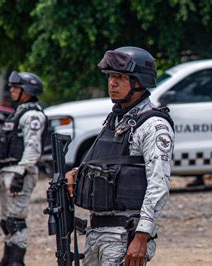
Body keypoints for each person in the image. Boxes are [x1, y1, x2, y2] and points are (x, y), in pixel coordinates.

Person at [65, 46, 175, 265]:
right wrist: (76, 173)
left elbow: (158, 184)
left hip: (124, 235)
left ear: (140, 81)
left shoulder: (153, 125)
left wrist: (142, 236)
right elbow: (110, 164)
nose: (112, 83)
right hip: (97, 230)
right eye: (110, 77)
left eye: (120, 77)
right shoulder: (115, 120)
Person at [0, 71, 46, 265]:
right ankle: (8, 258)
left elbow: (33, 147)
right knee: (6, 220)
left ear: (27, 90)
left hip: (20, 172)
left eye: (16, 87)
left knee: (16, 220)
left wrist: (22, 172)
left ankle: (17, 261)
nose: (12, 90)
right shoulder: (18, 113)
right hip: (9, 170)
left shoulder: (33, 115)